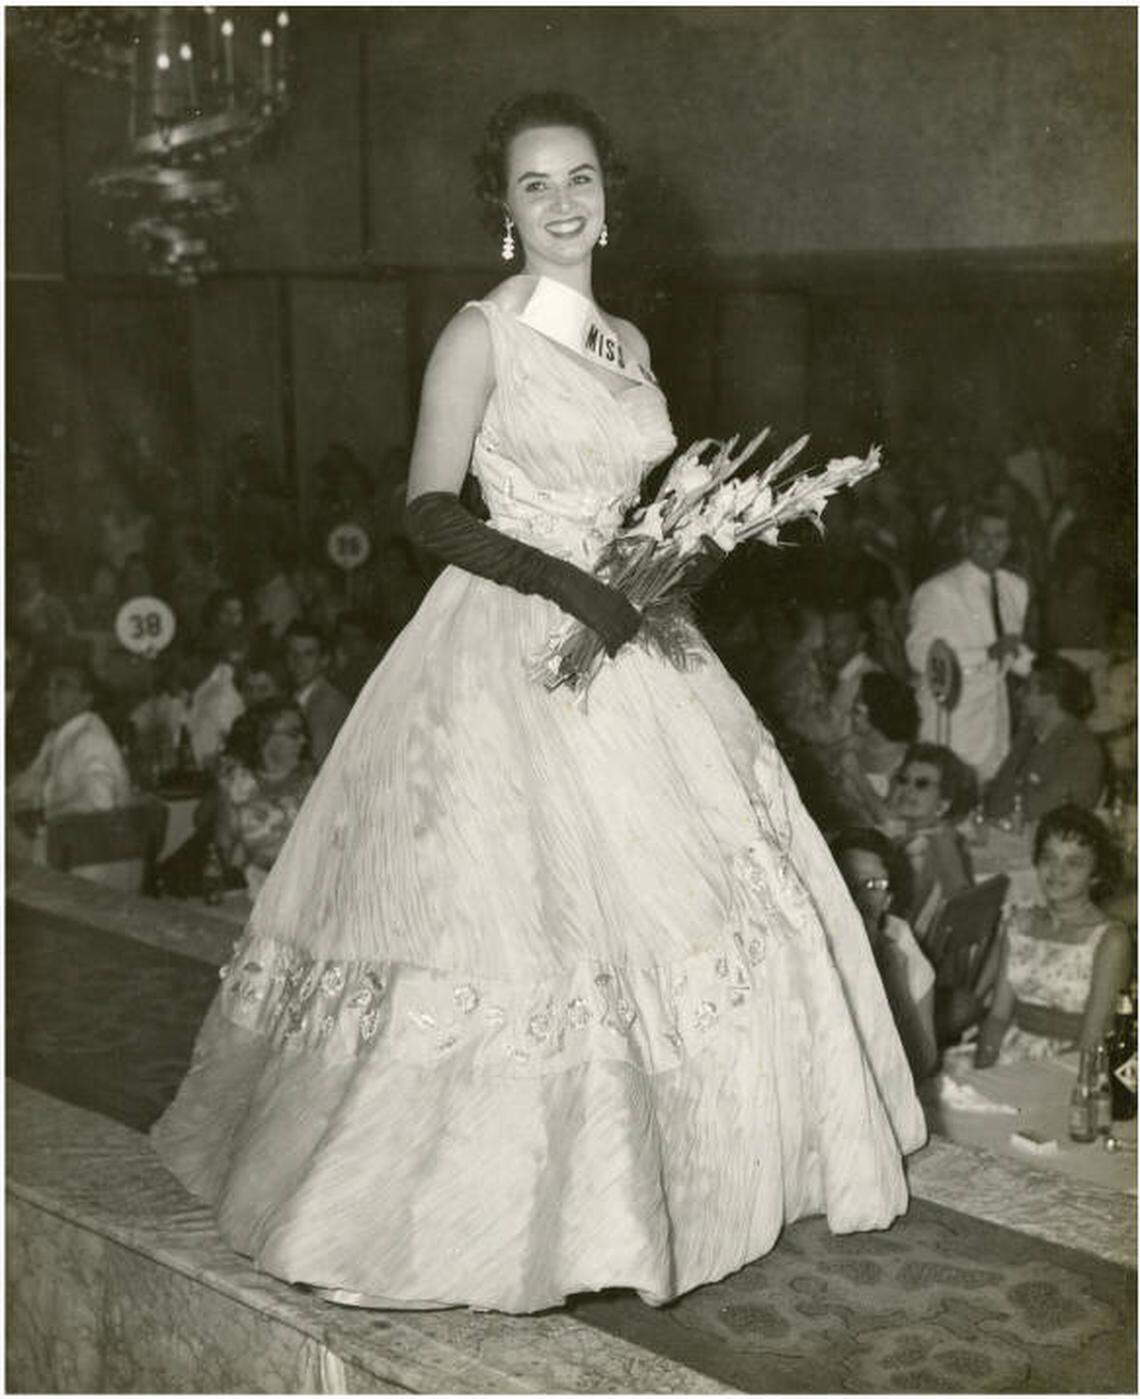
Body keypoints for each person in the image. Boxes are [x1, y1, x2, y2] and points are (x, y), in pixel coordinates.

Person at [153, 90, 925, 1316]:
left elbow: (637, 499)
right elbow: (426, 506)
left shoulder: (630, 341)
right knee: (520, 914)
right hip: (507, 634)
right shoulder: (480, 333)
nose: (563, 202)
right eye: (535, 186)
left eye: (580, 179)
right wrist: (571, 582)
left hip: (633, 631)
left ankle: (706, 1169)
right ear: (503, 213)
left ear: (608, 195)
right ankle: (482, 1208)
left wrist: (676, 557)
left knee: (691, 887)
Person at [974, 805, 1130, 1064]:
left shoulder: (1109, 939)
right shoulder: (1019, 925)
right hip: (1010, 1056)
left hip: (1073, 1064)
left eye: (1074, 863)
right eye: (1049, 857)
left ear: (1096, 874)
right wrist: (983, 1068)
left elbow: (1094, 1038)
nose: (1057, 871)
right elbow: (998, 1016)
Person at [907, 500, 1033, 782]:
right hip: (950, 718)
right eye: (982, 536)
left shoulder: (1016, 587)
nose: (990, 545)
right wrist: (986, 653)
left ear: (1010, 542)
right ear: (966, 537)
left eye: (999, 537)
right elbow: (918, 655)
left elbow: (1011, 651)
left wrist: (1031, 665)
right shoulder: (938, 590)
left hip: (996, 719)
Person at [830, 828, 938, 1082]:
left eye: (874, 885)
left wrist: (894, 978)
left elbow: (924, 1062)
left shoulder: (898, 940)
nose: (859, 896)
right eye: (847, 882)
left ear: (889, 899)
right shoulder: (810, 945)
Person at [986, 654, 1106, 823]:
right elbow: (996, 796)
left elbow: (1048, 812)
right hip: (1007, 833)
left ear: (1050, 700)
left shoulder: (1081, 748)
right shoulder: (1028, 735)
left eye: (1027, 689)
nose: (1019, 694)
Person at [215, 699, 315, 897]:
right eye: (294, 734)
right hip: (253, 891)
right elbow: (221, 854)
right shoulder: (237, 785)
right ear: (264, 737)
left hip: (306, 892)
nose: (303, 740)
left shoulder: (315, 785)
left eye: (302, 733)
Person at [888, 742, 976, 943]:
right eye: (903, 780)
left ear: (944, 802)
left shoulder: (937, 845)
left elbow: (960, 909)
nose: (908, 791)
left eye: (922, 784)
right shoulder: (912, 838)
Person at [830, 670, 920, 828]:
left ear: (879, 716)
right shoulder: (853, 744)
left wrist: (856, 775)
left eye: (857, 710)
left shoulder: (906, 760)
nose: (850, 713)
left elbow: (892, 822)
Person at [283, 621, 350, 767]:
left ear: (324, 660)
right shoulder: (295, 697)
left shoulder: (328, 704)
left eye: (308, 654)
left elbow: (316, 765)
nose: (298, 662)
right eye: (292, 653)